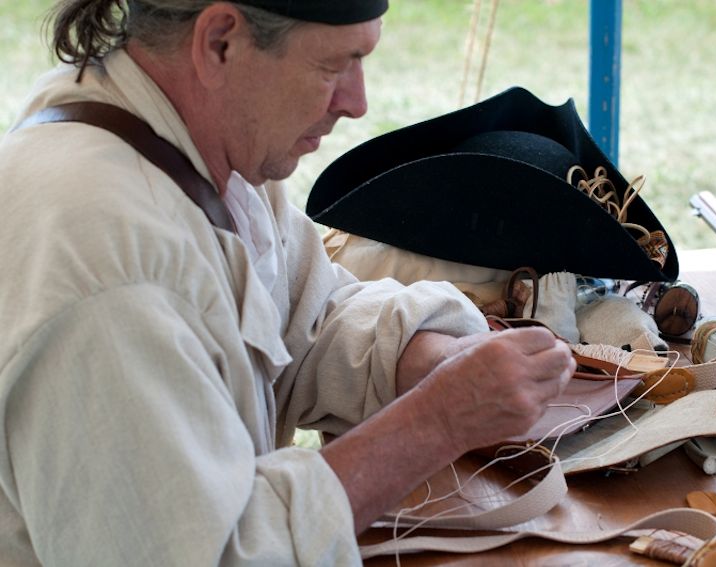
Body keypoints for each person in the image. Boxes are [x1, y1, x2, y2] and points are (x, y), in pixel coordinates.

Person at [0, 0, 576, 564]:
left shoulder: (194, 151)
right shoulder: (113, 272)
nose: (356, 102)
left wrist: (430, 358)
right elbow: (212, 554)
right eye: (333, 66)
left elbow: (304, 316)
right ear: (220, 41)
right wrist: (438, 420)